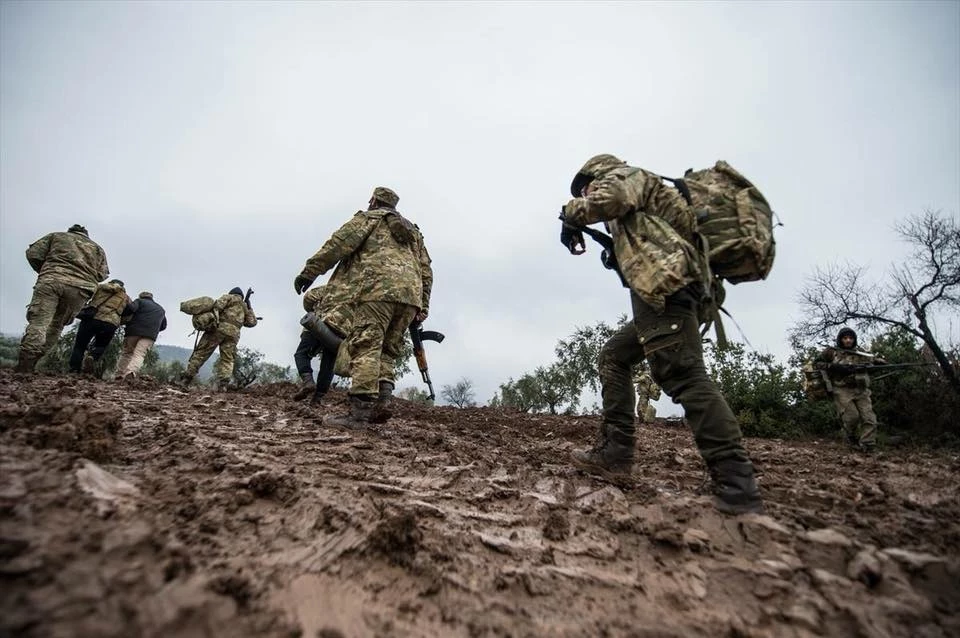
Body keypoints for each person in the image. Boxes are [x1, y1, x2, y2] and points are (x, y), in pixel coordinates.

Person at [559, 153, 762, 514]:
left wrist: (571, 213)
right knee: (614, 357)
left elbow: (609, 200)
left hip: (667, 289)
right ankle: (615, 454)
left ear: (596, 173)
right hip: (666, 291)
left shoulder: (623, 175)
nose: (587, 193)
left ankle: (737, 485)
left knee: (684, 376)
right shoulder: (640, 202)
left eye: (585, 186)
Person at [294, 186, 432, 427]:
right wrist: (423, 306)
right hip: (411, 297)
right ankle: (383, 402)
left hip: (375, 291)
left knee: (365, 347)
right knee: (388, 350)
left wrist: (309, 272)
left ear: (373, 200)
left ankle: (359, 414)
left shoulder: (369, 219)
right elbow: (426, 271)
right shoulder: (414, 234)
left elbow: (338, 245)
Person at [16, 224, 109, 372]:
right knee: (57, 325)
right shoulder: (98, 249)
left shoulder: (57, 236)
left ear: (70, 231)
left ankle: (25, 363)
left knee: (40, 321)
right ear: (86, 235)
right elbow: (102, 274)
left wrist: (45, 270)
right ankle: (34, 361)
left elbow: (33, 253)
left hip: (52, 281)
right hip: (80, 290)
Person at [814, 327, 885, 452]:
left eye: (851, 338)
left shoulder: (861, 353)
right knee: (852, 417)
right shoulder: (832, 352)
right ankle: (850, 438)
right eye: (845, 338)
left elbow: (871, 363)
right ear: (840, 339)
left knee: (869, 418)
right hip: (842, 390)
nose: (848, 341)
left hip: (861, 390)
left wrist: (878, 363)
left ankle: (867, 445)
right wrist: (835, 367)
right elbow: (817, 364)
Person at [178, 287, 257, 390]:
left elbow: (217, 307)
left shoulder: (228, 297)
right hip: (234, 335)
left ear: (232, 293)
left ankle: (186, 380)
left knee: (201, 353)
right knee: (227, 359)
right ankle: (223, 386)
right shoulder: (244, 307)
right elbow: (252, 322)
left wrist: (212, 321)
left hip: (218, 329)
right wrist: (249, 307)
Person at [69, 279, 131, 376]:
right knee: (101, 345)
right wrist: (119, 321)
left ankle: (74, 369)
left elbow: (84, 295)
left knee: (80, 345)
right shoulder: (126, 298)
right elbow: (129, 315)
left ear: (110, 283)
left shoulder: (100, 287)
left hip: (92, 318)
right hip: (111, 323)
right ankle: (93, 356)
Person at [115, 291, 167, 379]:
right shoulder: (161, 309)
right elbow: (163, 325)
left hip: (133, 331)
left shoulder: (139, 301)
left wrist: (123, 317)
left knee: (127, 353)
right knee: (140, 354)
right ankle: (131, 372)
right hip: (150, 335)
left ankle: (119, 374)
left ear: (141, 296)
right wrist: (153, 329)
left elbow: (131, 309)